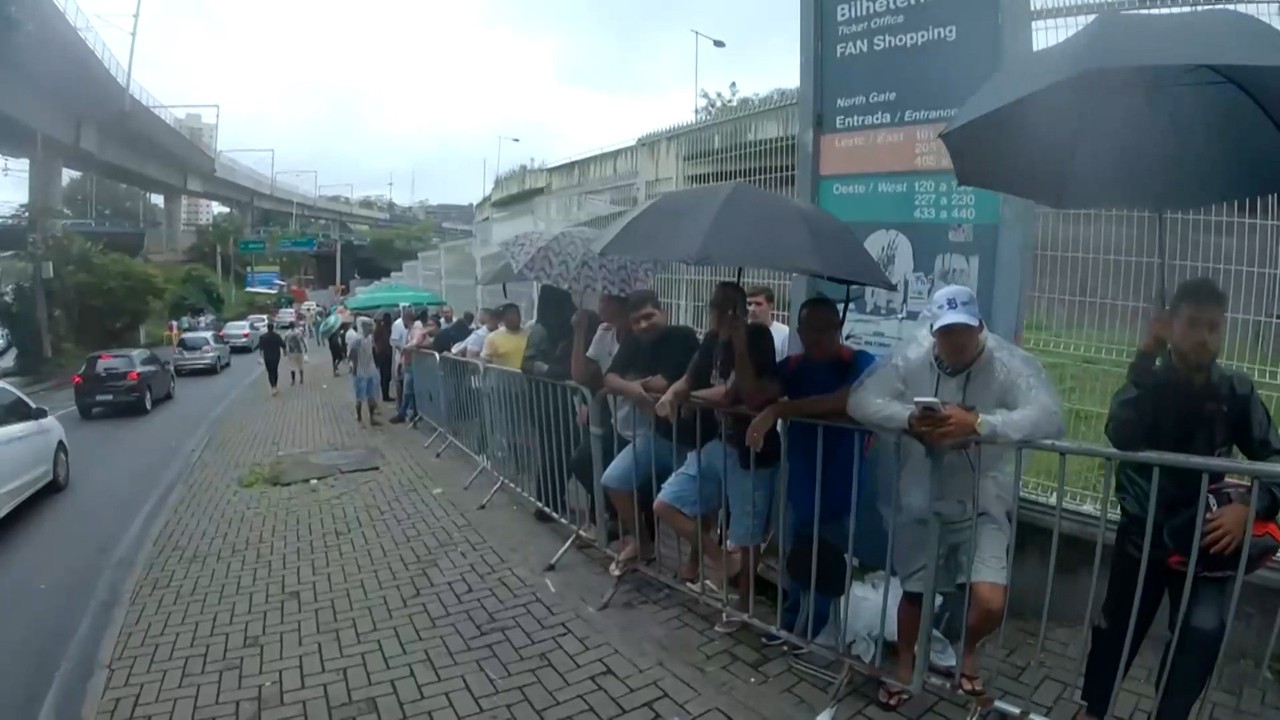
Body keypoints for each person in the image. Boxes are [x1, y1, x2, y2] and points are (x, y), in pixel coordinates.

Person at [847, 284, 1063, 710]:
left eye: (963, 330)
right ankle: (906, 667)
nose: (955, 341)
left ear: (979, 326)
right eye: (946, 332)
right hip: (921, 492)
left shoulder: (1006, 364)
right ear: (933, 331)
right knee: (916, 591)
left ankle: (968, 652)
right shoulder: (912, 357)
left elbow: (1050, 415)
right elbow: (860, 400)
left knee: (989, 599)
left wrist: (980, 424)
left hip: (983, 495)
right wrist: (909, 418)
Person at [1076, 278, 1280, 720]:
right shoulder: (1150, 380)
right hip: (1143, 534)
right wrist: (1146, 354)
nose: (1205, 337)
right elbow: (1121, 432)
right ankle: (1093, 711)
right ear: (1173, 325)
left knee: (1200, 635)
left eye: (1214, 327)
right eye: (1193, 324)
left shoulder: (1235, 391)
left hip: (1207, 540)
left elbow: (1275, 459)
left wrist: (1249, 508)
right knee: (1116, 632)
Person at [746, 296, 881, 648]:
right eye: (809, 329)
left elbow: (851, 401)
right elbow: (756, 396)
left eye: (825, 329)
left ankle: (815, 631)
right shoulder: (792, 367)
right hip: (802, 481)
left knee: (828, 558)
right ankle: (791, 624)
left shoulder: (859, 361)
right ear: (800, 330)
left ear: (838, 328)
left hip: (842, 481)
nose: (817, 337)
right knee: (797, 556)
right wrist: (738, 339)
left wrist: (782, 409)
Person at [654, 281, 782, 631]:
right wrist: (673, 394)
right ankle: (721, 561)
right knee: (666, 503)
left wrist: (739, 341)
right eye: (716, 306)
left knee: (747, 533)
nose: (720, 314)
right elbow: (690, 377)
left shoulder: (758, 338)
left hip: (750, 451)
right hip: (716, 443)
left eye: (727, 308)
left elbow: (735, 393)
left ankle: (744, 605)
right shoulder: (711, 340)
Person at [601, 290, 701, 575]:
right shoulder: (634, 340)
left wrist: (634, 384)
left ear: (663, 312)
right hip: (659, 435)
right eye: (636, 321)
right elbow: (609, 377)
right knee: (614, 480)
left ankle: (696, 563)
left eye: (649, 317)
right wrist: (633, 389)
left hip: (694, 440)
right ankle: (642, 544)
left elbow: (665, 382)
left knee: (695, 507)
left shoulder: (682, 336)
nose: (643, 325)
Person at [568, 294, 629, 538]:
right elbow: (580, 375)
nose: (600, 305)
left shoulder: (635, 334)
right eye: (600, 300)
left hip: (635, 420)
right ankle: (612, 515)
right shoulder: (604, 333)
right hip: (615, 418)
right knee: (584, 462)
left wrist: (607, 389)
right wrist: (579, 332)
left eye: (606, 300)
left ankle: (626, 525)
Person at [521, 285, 583, 522]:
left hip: (558, 400)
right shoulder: (540, 330)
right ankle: (547, 504)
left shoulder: (560, 329)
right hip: (544, 402)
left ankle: (552, 501)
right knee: (554, 453)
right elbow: (527, 364)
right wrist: (553, 372)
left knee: (565, 450)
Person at [391, 310, 433, 424]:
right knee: (411, 390)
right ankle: (412, 413)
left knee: (408, 390)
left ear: (406, 320)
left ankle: (403, 413)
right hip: (410, 362)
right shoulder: (412, 329)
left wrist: (406, 347)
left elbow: (415, 342)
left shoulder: (416, 329)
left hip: (414, 364)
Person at [347, 317, 382, 426]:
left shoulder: (370, 338)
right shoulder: (357, 340)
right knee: (360, 397)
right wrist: (354, 367)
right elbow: (351, 355)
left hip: (370, 370)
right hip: (360, 372)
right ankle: (360, 418)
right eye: (368, 326)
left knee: (371, 396)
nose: (370, 328)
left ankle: (371, 418)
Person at [748, 286, 790, 361]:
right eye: (749, 304)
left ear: (770, 306)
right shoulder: (740, 331)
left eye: (758, 304)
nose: (752, 309)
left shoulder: (784, 333)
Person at [481, 304, 529, 370]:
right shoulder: (493, 337)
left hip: (525, 378)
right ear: (504, 318)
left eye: (517, 314)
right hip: (502, 378)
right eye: (511, 314)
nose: (516, 317)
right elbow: (485, 360)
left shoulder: (528, 334)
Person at [258, 322, 286, 397]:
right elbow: (283, 345)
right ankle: (275, 386)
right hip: (276, 356)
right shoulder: (277, 336)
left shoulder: (263, 337)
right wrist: (285, 351)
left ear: (267, 328)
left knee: (270, 372)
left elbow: (261, 349)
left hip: (267, 357)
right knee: (275, 370)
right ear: (273, 328)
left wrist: (260, 357)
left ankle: (273, 386)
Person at [374, 312, 395, 402]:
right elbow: (376, 340)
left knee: (387, 375)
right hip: (383, 354)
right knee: (385, 375)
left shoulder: (388, 329)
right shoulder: (380, 329)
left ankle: (386, 394)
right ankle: (385, 395)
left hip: (387, 353)